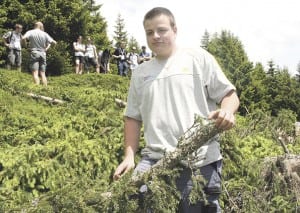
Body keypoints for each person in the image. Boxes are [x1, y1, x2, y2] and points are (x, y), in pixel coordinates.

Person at [113, 7, 240, 213]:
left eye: (161, 30)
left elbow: (229, 96)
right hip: (153, 161)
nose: (155, 36)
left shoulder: (198, 58)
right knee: (133, 202)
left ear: (174, 30)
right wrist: (129, 157)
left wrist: (226, 112)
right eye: (149, 32)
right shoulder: (140, 73)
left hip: (198, 162)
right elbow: (132, 118)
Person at [22, 21, 56, 86]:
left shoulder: (30, 32)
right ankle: (45, 89)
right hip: (43, 54)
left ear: (35, 26)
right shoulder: (44, 34)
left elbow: (23, 38)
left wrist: (26, 46)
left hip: (34, 52)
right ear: (41, 26)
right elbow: (54, 42)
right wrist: (48, 49)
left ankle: (37, 88)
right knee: (43, 73)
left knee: (35, 72)